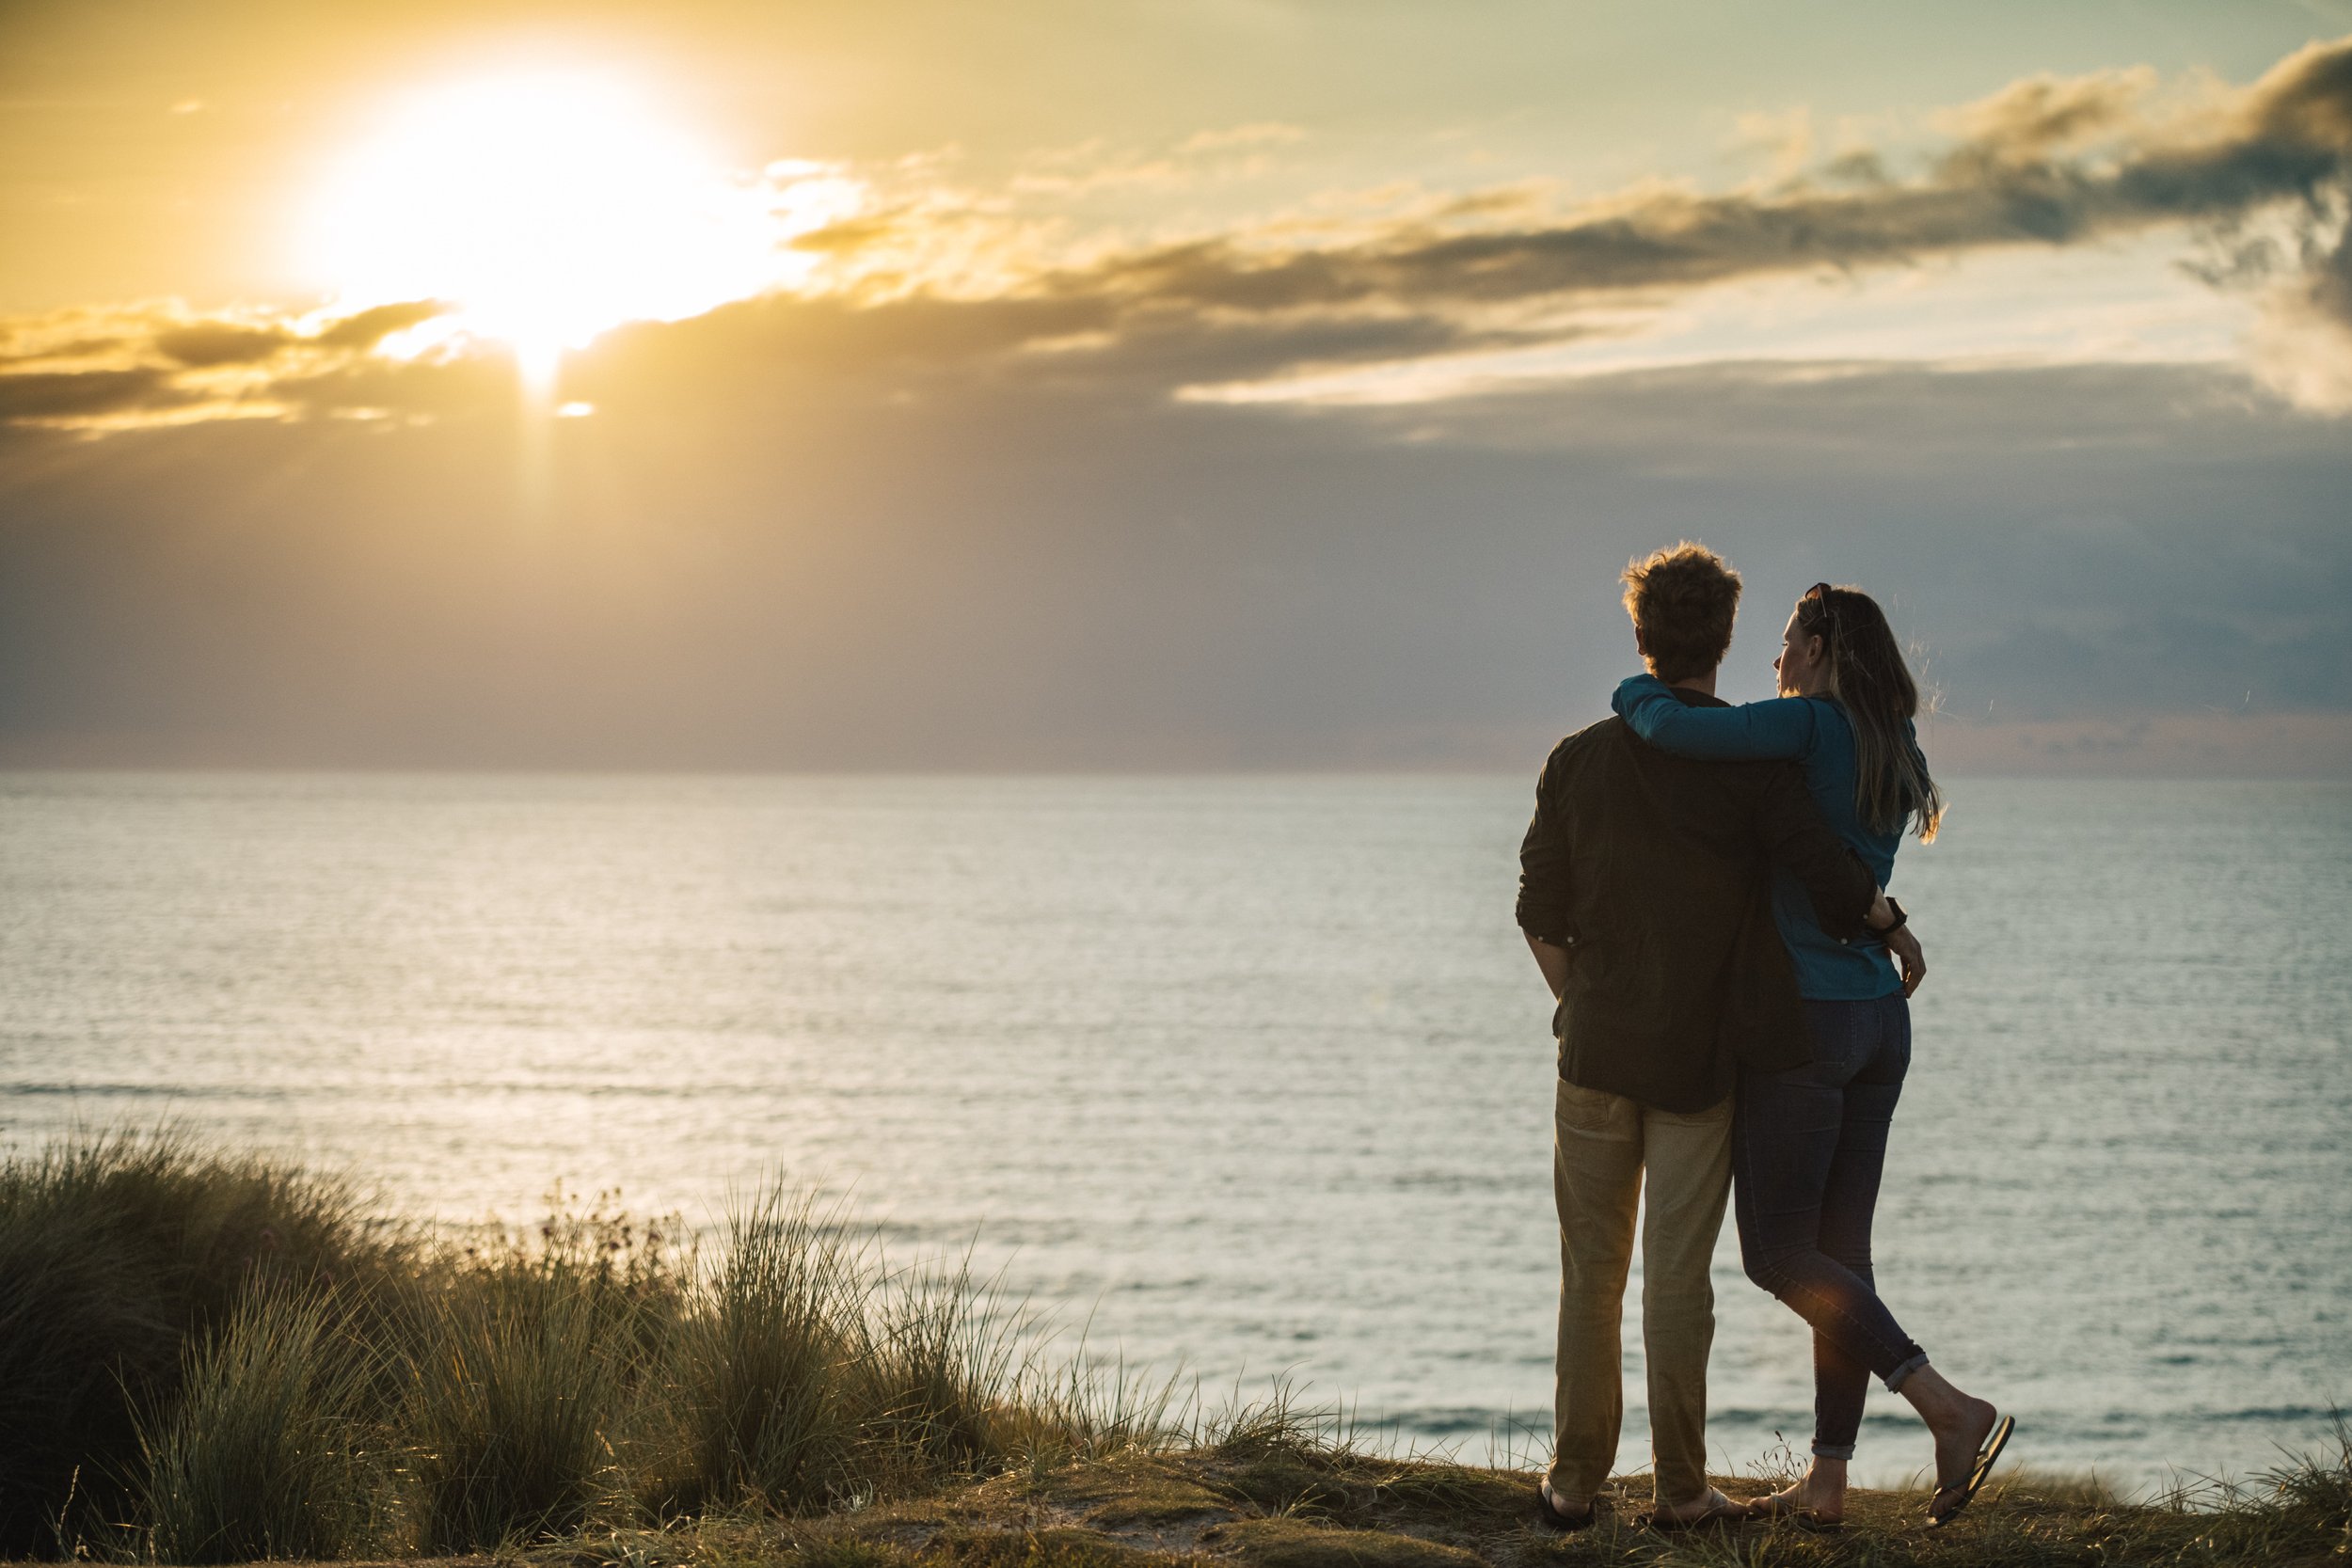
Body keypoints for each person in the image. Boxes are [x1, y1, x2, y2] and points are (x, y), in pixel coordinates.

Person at [1517, 543, 1907, 1533]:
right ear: (1725, 640)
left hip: (1596, 1048)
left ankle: (1572, 1483)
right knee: (1677, 1276)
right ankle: (1680, 1486)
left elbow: (1538, 909)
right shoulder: (1754, 762)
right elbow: (1819, 866)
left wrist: (1577, 1002)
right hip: (1702, 1064)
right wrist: (1886, 919)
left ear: (1641, 635)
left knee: (1589, 1273)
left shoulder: (1575, 757)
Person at [1611, 580, 2011, 1529]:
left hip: (1808, 1023)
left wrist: (1630, 686)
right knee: (1842, 1258)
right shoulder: (1895, 744)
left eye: (1790, 640)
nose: (1777, 658)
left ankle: (1948, 1407)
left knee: (1780, 1255)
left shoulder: (1809, 729)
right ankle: (1827, 1481)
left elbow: (1673, 727)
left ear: (1823, 644)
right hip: (1879, 1018)